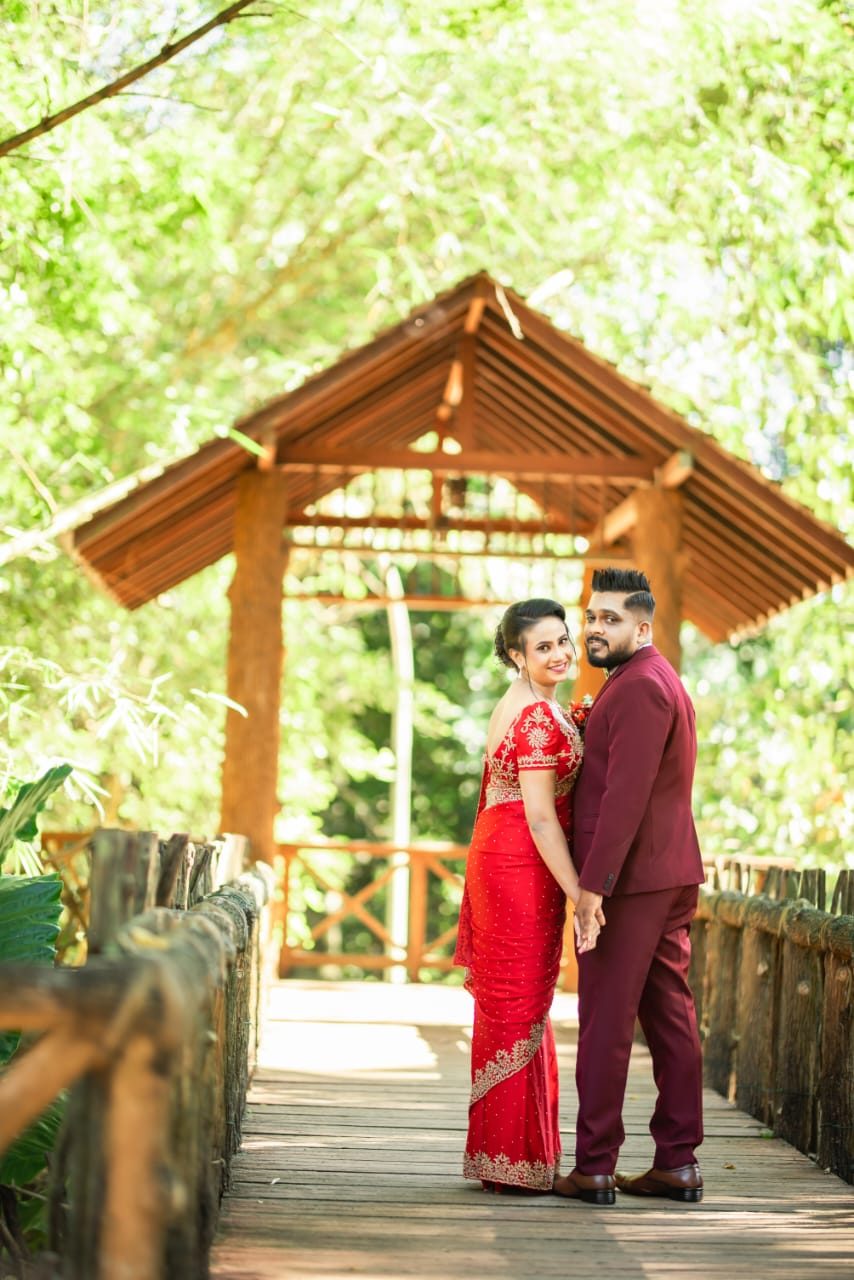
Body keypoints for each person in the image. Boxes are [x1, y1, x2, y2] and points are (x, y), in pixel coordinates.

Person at [558, 567, 706, 1207]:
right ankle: (677, 1163)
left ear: (642, 628)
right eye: (592, 616)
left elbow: (626, 797)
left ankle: (594, 1165)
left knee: (605, 1023)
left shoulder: (643, 686)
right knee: (669, 1018)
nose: (595, 627)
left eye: (610, 619)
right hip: (661, 873)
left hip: (631, 882)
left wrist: (593, 888)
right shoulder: (646, 676)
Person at [454, 598, 596, 1196]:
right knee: (517, 1001)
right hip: (519, 863)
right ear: (516, 655)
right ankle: (510, 1159)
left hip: (507, 855)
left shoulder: (528, 702)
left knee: (517, 1003)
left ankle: (511, 1155)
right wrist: (581, 895)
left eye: (563, 641)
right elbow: (540, 817)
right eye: (543, 647)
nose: (560, 654)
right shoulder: (536, 716)